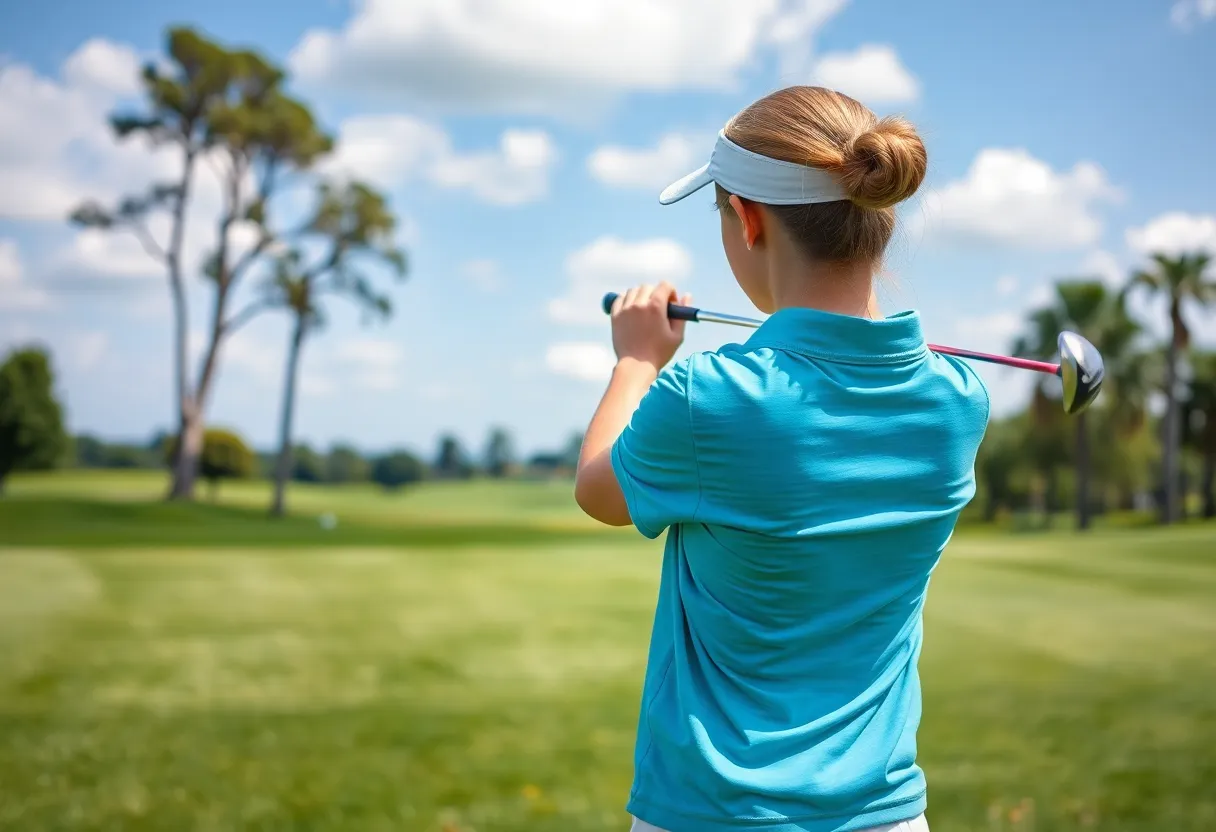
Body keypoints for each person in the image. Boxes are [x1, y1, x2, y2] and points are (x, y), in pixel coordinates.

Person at [573, 86, 990, 832]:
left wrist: (636, 361)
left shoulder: (711, 396)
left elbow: (599, 490)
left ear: (748, 218)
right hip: (886, 814)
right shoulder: (958, 400)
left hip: (711, 812)